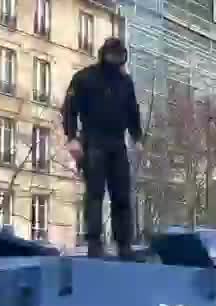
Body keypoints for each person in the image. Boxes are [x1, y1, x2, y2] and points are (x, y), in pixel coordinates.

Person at [62, 37, 143, 260]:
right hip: (93, 140)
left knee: (121, 195)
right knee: (95, 194)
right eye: (113, 56)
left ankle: (124, 244)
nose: (116, 60)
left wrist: (137, 136)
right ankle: (94, 243)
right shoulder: (85, 78)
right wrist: (72, 138)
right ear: (104, 54)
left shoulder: (125, 82)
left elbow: (132, 111)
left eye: (120, 56)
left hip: (117, 143)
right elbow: (69, 109)